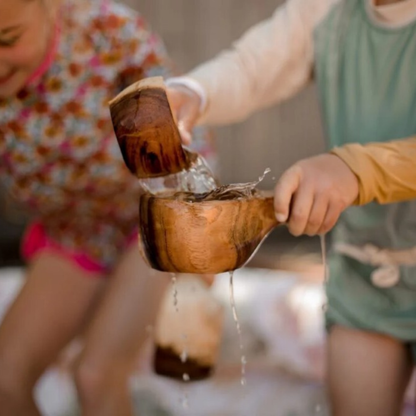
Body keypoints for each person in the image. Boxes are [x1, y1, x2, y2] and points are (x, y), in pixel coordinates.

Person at [166, 0, 416, 414]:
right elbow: (255, 65)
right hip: (364, 273)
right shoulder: (327, 10)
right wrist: (195, 91)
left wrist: (354, 170)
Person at [0, 0, 215, 415]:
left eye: (8, 39)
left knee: (96, 373)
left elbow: (182, 152)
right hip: (78, 228)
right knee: (5, 378)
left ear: (52, 8)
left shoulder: (107, 34)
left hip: (158, 211)